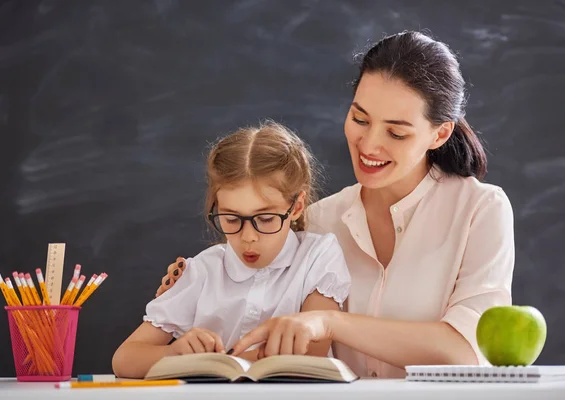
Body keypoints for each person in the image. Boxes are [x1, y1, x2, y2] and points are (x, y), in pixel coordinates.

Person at [155, 30, 515, 379]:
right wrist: (192, 286)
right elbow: (253, 297)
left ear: (440, 133)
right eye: (360, 119)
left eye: (396, 132)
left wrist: (330, 322)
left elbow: (465, 349)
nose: (369, 144)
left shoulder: (479, 210)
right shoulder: (317, 220)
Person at [112, 122, 351, 378]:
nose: (248, 237)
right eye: (232, 219)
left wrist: (213, 361)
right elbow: (124, 359)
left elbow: (311, 352)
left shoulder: (318, 255)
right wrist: (173, 355)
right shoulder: (204, 269)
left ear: (296, 207)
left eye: (266, 219)